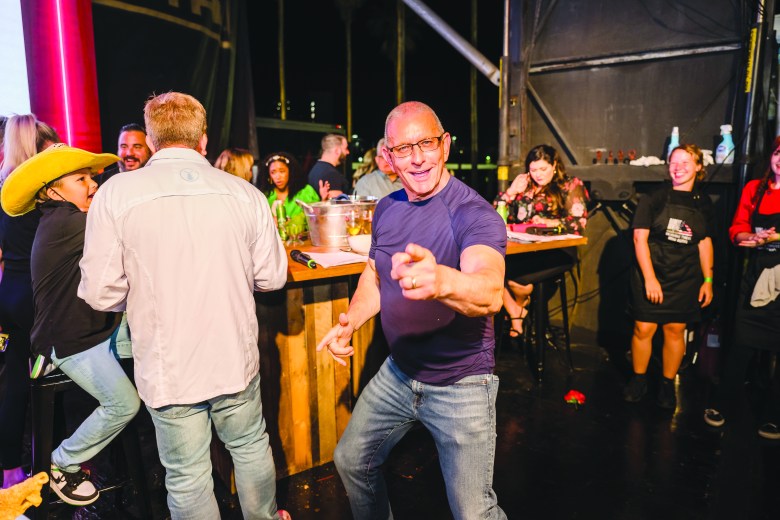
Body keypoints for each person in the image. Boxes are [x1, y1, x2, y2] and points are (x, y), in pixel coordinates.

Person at [77, 92, 290, 520]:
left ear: (152, 142)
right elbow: (272, 277)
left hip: (167, 364)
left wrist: (143, 294)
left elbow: (100, 293)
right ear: (204, 141)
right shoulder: (244, 193)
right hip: (234, 356)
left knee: (188, 475)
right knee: (249, 447)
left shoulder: (116, 194)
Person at [317, 101, 508, 519]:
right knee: (352, 461)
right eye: (404, 148)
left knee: (474, 511)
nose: (417, 158)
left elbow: (490, 291)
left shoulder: (475, 214)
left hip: (462, 383)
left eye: (426, 143)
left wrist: (442, 280)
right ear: (387, 156)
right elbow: (375, 274)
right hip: (399, 372)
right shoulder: (387, 208)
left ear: (445, 145)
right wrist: (351, 321)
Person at [1, 144, 140, 506]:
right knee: (125, 405)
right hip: (68, 340)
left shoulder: (67, 218)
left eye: (91, 177)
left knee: (152, 349)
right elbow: (132, 229)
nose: (92, 185)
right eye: (81, 179)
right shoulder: (67, 221)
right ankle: (64, 461)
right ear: (52, 191)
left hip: (97, 330)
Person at [624, 143, 714, 409]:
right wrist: (650, 279)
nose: (679, 168)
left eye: (686, 162)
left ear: (699, 167)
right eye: (674, 162)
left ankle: (666, 384)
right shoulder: (653, 198)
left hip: (685, 277)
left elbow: (705, 243)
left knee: (676, 330)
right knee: (644, 328)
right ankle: (639, 380)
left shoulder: (704, 203)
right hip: (651, 271)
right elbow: (639, 239)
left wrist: (708, 280)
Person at [703, 136, 780, 438]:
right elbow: (737, 227)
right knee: (741, 344)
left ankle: (774, 415)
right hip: (758, 276)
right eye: (778, 152)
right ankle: (723, 404)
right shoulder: (754, 188)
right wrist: (747, 238)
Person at [0, 114, 60, 490]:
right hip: (39, 296)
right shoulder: (43, 194)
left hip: (11, 293)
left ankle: (9, 468)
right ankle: (56, 464)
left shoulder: (5, 190)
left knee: (16, 383)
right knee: (56, 380)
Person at [496, 144, 589, 337]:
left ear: (554, 165)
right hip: (524, 250)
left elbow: (578, 223)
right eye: (533, 169)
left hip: (556, 252)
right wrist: (511, 191)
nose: (538, 174)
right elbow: (492, 215)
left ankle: (518, 308)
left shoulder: (570, 185)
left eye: (543, 169)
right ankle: (516, 310)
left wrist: (548, 222)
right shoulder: (524, 186)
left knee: (516, 282)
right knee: (491, 270)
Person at [257, 151, 323, 220]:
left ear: (290, 172)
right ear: (269, 175)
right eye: (273, 172)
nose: (278, 177)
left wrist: (323, 200)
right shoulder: (265, 197)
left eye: (282, 171)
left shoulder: (306, 192)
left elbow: (317, 218)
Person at [307, 133, 350, 199]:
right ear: (337, 151)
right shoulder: (331, 174)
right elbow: (337, 206)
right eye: (346, 148)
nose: (348, 152)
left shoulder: (315, 169)